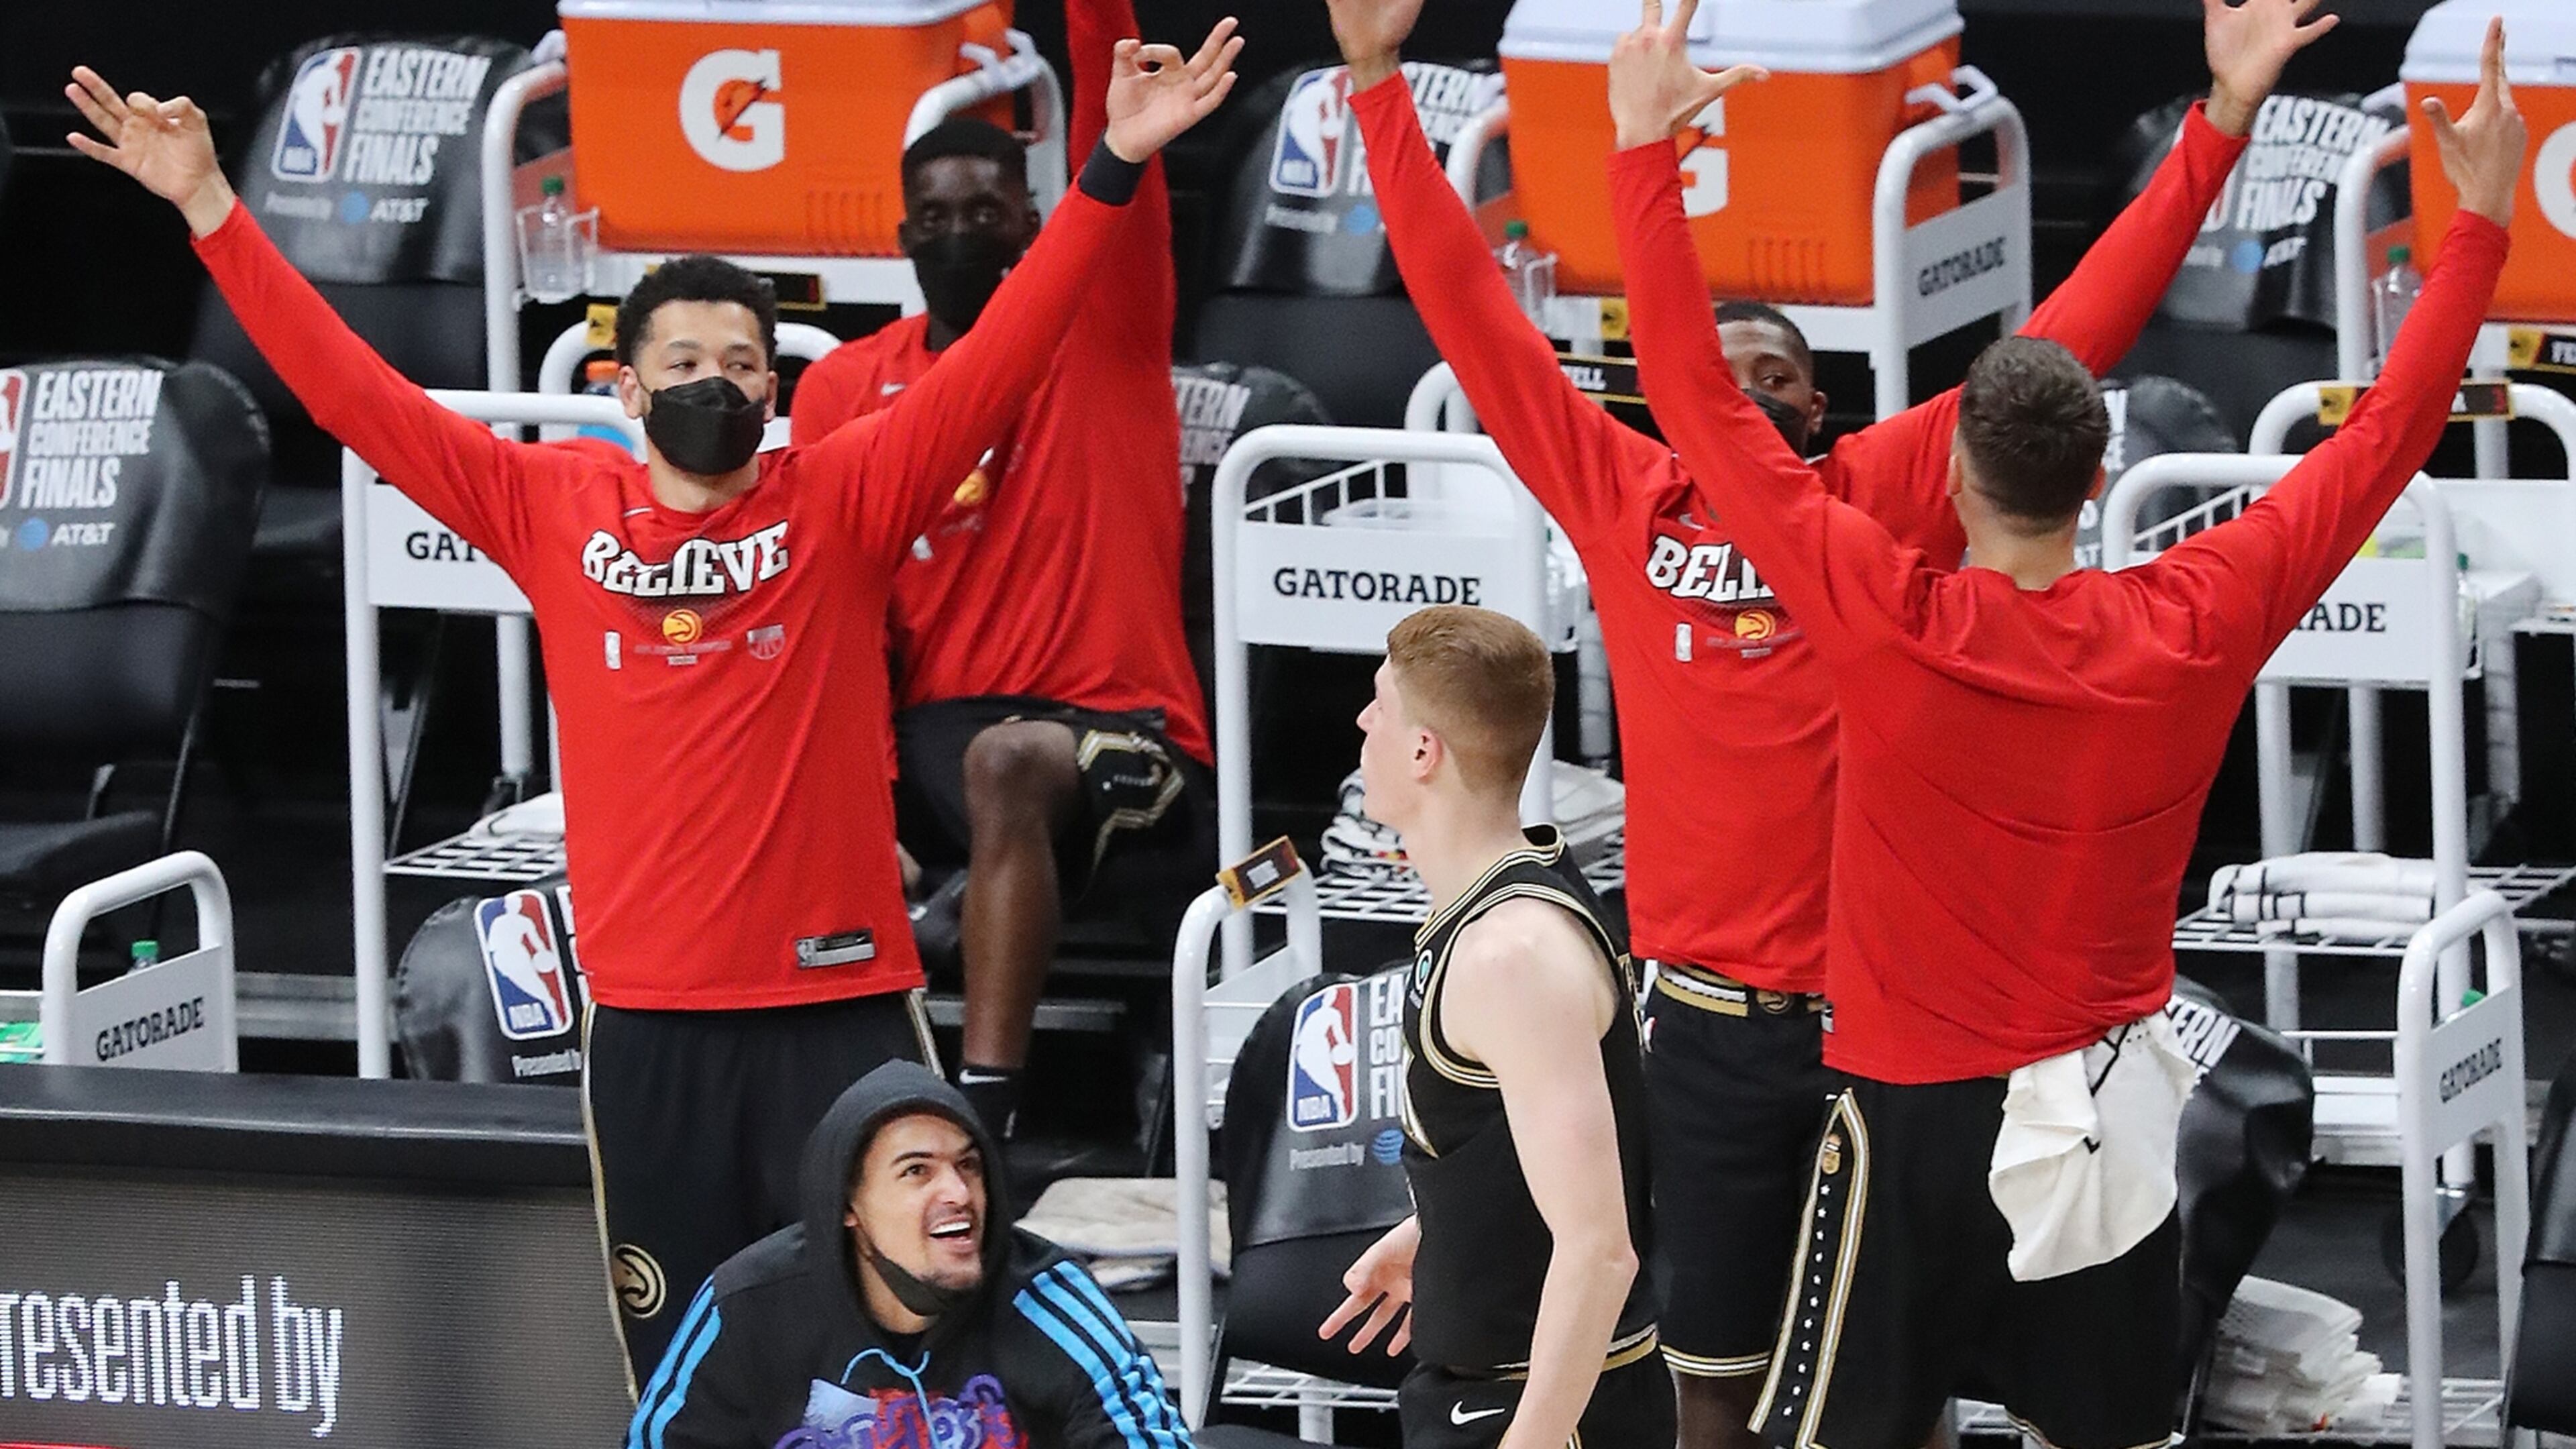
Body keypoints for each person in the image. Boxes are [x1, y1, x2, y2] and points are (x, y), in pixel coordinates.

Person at [63, 25, 1239, 1383]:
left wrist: (1109, 167)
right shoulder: (548, 504)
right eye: (684, 364)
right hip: (652, 1027)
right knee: (690, 1377)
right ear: (624, 389)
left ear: (777, 389)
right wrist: (212, 208)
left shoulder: (845, 497)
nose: (715, 387)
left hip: (841, 1015)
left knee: (914, 1362)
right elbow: (356, 397)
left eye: (742, 367)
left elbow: (1016, 345)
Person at [1316, 0, 2318, 1443]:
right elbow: (1473, 317)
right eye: (1722, 371)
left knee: (1892, 1406)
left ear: (1824, 403)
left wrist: (2217, 122)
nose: (1745, 388)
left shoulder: (1874, 504)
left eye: (1778, 373)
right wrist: (1373, 86)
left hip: (1884, 1046)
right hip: (1711, 1040)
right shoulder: (1622, 502)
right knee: (1707, 1397)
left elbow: (2076, 329)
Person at [1602, 6, 2524, 1448]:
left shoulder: (1883, 607)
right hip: (2105, 1114)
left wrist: (1645, 151)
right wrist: (2478, 224)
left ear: (1951, 477)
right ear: (2101, 478)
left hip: (1904, 1127)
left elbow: (1694, 400)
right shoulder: (2199, 616)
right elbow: (2389, 432)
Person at [791, 0, 1213, 1143]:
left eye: (988, 209)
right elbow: (838, 611)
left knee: (1012, 760)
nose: (961, 230)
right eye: (937, 216)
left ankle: (985, 1115)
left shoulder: (1103, 323)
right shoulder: (842, 389)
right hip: (938, 753)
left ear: (1034, 218)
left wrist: (1099, 24)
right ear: (904, 236)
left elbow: (1110, 131)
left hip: (1127, 742)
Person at [1320, 605, 1668, 1449]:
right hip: (1489, 1388)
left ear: (1422, 751)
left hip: (1543, 1409)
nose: (1363, 723)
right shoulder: (1512, 898)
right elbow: (1535, 1145)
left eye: (1380, 704)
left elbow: (1599, 1249)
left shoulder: (1508, 957)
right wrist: (1444, 1227)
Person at [627, 1058, 1196, 1448]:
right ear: (847, 1204)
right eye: (917, 1171)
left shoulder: (1052, 1302)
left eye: (968, 1165)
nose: (957, 1192)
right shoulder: (747, 1305)